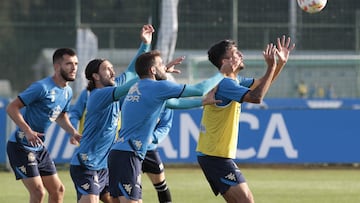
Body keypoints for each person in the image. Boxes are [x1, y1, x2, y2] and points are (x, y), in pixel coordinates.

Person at [107, 50, 229, 203]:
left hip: (118, 153)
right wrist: (221, 74)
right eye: (161, 64)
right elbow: (199, 90)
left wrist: (203, 102)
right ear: (152, 70)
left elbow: (174, 103)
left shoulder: (137, 86)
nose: (164, 67)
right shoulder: (158, 87)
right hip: (129, 154)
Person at [196, 36, 295, 203]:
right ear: (225, 61)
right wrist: (271, 66)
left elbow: (263, 84)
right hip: (215, 157)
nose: (241, 54)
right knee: (247, 200)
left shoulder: (235, 81)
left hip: (213, 155)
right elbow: (257, 98)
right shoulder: (226, 84)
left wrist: (279, 64)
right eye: (235, 52)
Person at [69, 24, 154, 203]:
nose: (113, 71)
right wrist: (153, 75)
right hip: (86, 163)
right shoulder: (99, 94)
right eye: (107, 69)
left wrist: (145, 45)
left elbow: (131, 71)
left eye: (112, 67)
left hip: (104, 165)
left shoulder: (113, 85)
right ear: (96, 77)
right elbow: (131, 84)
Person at [6, 48, 82, 203]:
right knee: (38, 192)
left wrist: (72, 132)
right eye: (68, 64)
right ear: (56, 66)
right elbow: (12, 107)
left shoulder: (67, 91)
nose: (74, 67)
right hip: (20, 145)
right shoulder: (42, 87)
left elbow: (60, 116)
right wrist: (27, 130)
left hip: (38, 147)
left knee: (58, 190)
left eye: (76, 63)